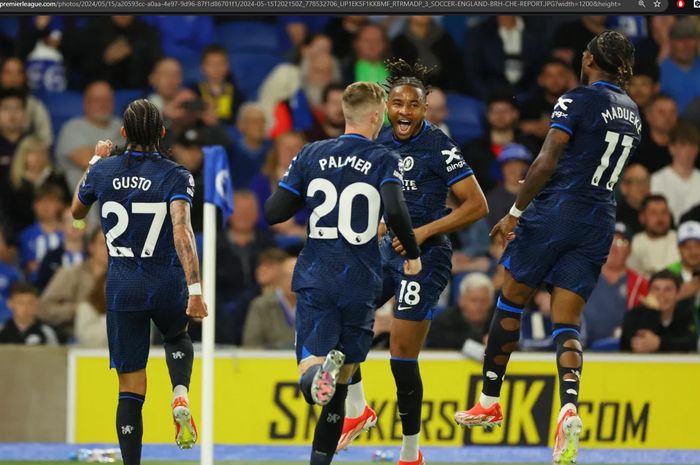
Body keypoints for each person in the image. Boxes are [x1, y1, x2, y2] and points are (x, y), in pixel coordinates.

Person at [454, 31, 639, 465]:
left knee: (511, 300)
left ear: (589, 58)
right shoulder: (633, 113)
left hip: (558, 209)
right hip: (599, 222)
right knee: (567, 322)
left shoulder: (577, 99)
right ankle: (569, 407)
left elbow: (546, 159)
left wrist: (516, 212)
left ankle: (489, 399)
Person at [264, 81, 422, 465]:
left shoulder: (311, 154)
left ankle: (314, 375)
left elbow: (273, 213)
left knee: (312, 366)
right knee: (341, 381)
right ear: (375, 116)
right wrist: (412, 254)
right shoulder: (384, 158)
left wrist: (305, 193)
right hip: (362, 280)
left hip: (318, 273)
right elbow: (397, 211)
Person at [339, 60, 488, 465]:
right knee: (344, 316)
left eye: (414, 105)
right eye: (398, 104)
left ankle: (410, 451)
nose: (404, 112)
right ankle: (358, 411)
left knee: (401, 355)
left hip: (426, 257)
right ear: (387, 106)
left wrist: (420, 233)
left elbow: (477, 205)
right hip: (383, 254)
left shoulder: (439, 146)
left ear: (426, 109)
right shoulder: (379, 140)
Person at [70, 99, 208, 464]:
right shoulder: (176, 174)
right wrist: (195, 289)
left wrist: (96, 160)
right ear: (163, 132)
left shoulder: (103, 172)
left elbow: (76, 212)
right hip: (165, 281)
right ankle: (180, 391)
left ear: (123, 133)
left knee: (130, 389)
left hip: (122, 288)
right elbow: (182, 231)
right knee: (177, 336)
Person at [583, 223, 648, 348]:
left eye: (621, 242)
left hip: (625, 354)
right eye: (609, 240)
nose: (613, 247)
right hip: (583, 351)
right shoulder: (581, 277)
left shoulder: (640, 283)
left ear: (629, 250)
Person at [55, 81, 123, 191]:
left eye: (107, 99)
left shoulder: (121, 126)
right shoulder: (72, 128)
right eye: (97, 100)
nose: (103, 104)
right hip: (80, 200)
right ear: (86, 103)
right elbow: (92, 164)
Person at [620, 270, 696, 353]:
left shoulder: (686, 314)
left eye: (668, 289)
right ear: (649, 293)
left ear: (677, 294)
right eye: (656, 289)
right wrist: (653, 311)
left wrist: (659, 343)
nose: (661, 294)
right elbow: (638, 344)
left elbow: (691, 343)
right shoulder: (634, 315)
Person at [425, 272, 493, 350]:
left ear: (491, 302)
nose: (479, 306)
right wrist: (481, 339)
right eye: (474, 300)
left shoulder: (497, 321)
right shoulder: (445, 321)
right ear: (461, 300)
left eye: (484, 301)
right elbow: (436, 340)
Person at [242, 255, 297, 349]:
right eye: (286, 276)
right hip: (269, 361)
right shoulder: (261, 305)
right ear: (279, 277)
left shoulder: (316, 306)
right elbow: (251, 345)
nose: (291, 281)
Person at [650, 122, 700, 224]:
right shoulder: (657, 180)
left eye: (693, 145)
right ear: (672, 148)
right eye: (683, 145)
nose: (689, 151)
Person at [628, 194, 680, 276]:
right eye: (653, 213)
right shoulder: (633, 244)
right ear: (642, 217)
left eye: (664, 212)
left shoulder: (682, 240)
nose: (660, 218)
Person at [0, 281, 58, 345]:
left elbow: (53, 354)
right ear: (10, 304)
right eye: (20, 303)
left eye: (30, 303)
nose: (25, 307)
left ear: (37, 303)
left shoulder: (46, 332)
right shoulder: (2, 330)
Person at [616, 163, 650, 236]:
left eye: (646, 181)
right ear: (624, 187)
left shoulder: (659, 212)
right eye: (637, 182)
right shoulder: (613, 216)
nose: (643, 186)